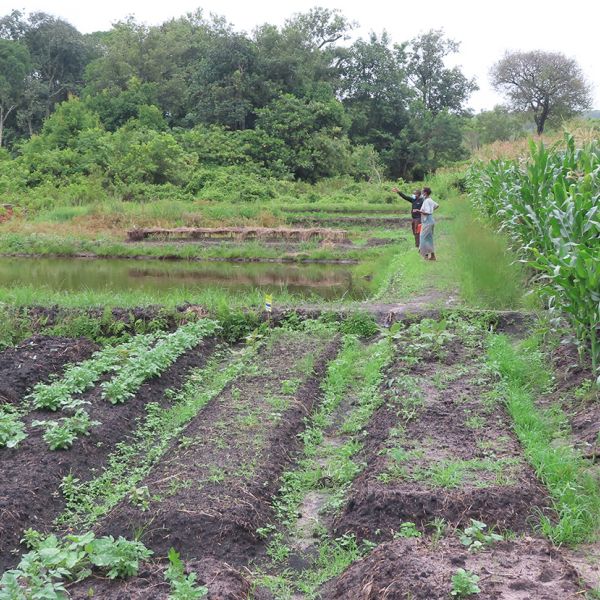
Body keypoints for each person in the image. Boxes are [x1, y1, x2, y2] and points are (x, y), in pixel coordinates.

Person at [418, 187, 439, 261]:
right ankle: (433, 256)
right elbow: (437, 205)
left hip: (427, 222)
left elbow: (427, 212)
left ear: (425, 193)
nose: (421, 193)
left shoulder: (426, 201)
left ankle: (425, 256)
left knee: (423, 238)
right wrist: (431, 210)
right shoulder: (430, 200)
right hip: (431, 221)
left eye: (422, 192)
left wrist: (419, 211)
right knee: (429, 238)